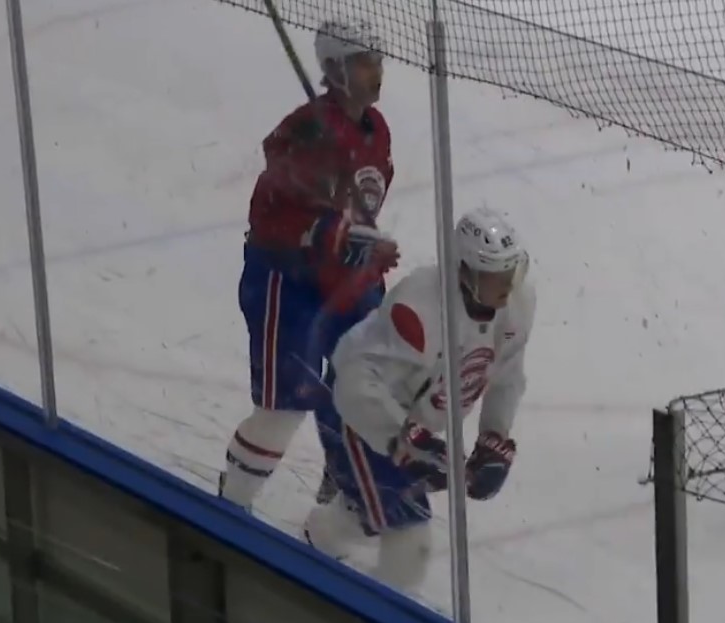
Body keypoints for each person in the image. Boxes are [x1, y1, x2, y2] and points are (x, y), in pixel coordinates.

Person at [302, 207, 536, 591]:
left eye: (512, 271)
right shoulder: (419, 310)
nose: (508, 286)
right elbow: (356, 382)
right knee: (409, 534)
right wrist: (404, 441)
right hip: (354, 414)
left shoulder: (517, 305)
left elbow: (506, 376)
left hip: (410, 423)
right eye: (495, 275)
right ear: (465, 273)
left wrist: (494, 437)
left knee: (373, 511)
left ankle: (316, 540)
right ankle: (378, 616)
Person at [220, 19, 400, 510]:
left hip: (345, 281)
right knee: (285, 406)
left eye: (377, 61)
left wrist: (362, 245)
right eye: (363, 63)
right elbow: (272, 213)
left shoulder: (377, 129)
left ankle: (337, 499)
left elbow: (358, 206)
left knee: (362, 388)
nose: (376, 72)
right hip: (287, 279)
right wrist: (329, 232)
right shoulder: (306, 128)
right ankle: (230, 506)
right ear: (335, 69)